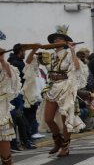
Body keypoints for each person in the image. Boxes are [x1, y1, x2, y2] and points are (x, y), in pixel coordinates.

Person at [24, 25, 88, 157]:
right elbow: (29, 62)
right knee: (48, 118)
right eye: (55, 39)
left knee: (66, 119)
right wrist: (33, 50)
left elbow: (77, 68)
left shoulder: (69, 54)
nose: (57, 41)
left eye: (60, 39)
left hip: (66, 87)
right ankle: (57, 141)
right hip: (52, 87)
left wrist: (73, 50)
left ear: (64, 42)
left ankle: (65, 146)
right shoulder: (48, 55)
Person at [1, 44, 21, 165]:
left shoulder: (6, 66)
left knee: (2, 136)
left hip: (0, 104)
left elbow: (11, 78)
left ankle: (7, 164)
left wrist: (2, 60)